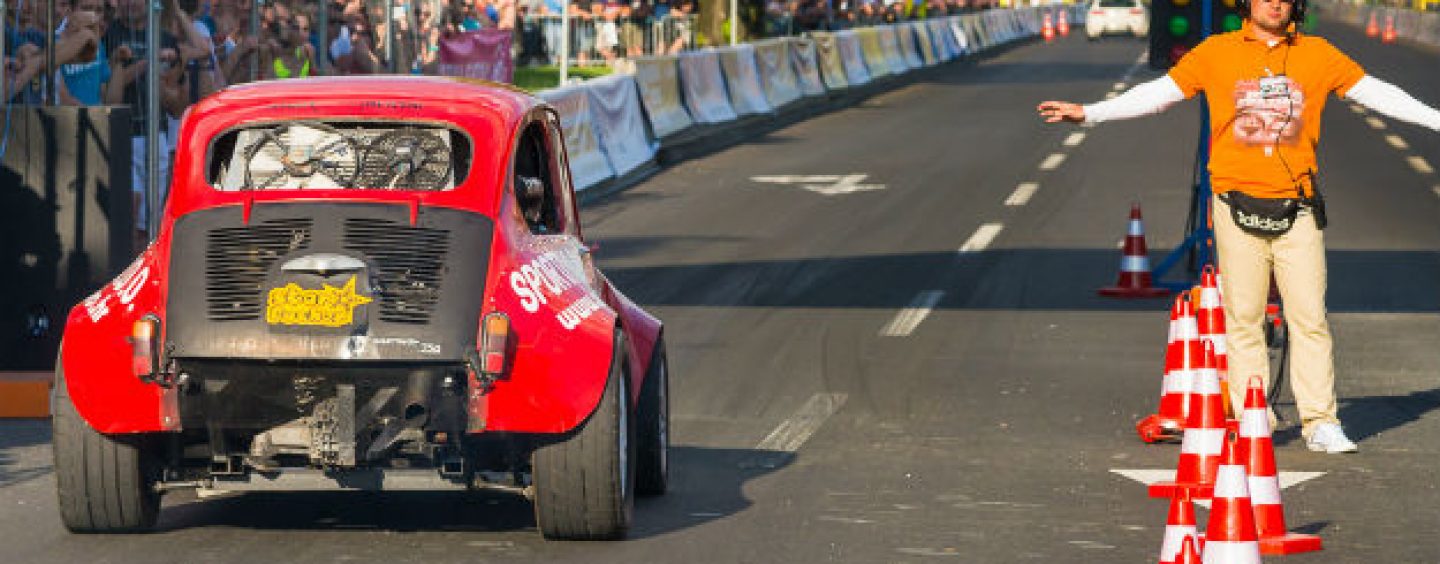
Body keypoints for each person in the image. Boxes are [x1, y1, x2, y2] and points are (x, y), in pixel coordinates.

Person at [1037, 0, 1440, 453]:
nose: (1276, 4)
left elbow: (1377, 93)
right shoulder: (1216, 53)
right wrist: (1091, 113)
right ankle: (1255, 418)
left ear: (1296, 5)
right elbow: (1159, 94)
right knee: (1243, 319)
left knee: (1309, 318)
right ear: (1248, 4)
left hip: (1299, 208)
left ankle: (1321, 422)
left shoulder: (1318, 54)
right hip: (1234, 205)